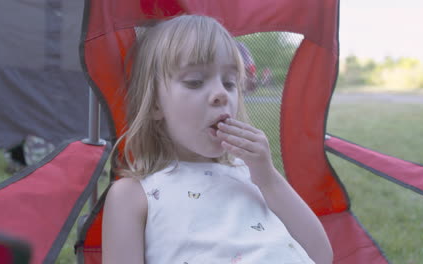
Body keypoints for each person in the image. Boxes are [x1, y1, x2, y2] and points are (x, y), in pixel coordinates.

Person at [102, 15, 333, 264]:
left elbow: (320, 254)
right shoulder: (133, 194)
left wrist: (268, 177)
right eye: (195, 82)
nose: (221, 94)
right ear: (156, 104)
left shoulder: (251, 175)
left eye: (230, 83)